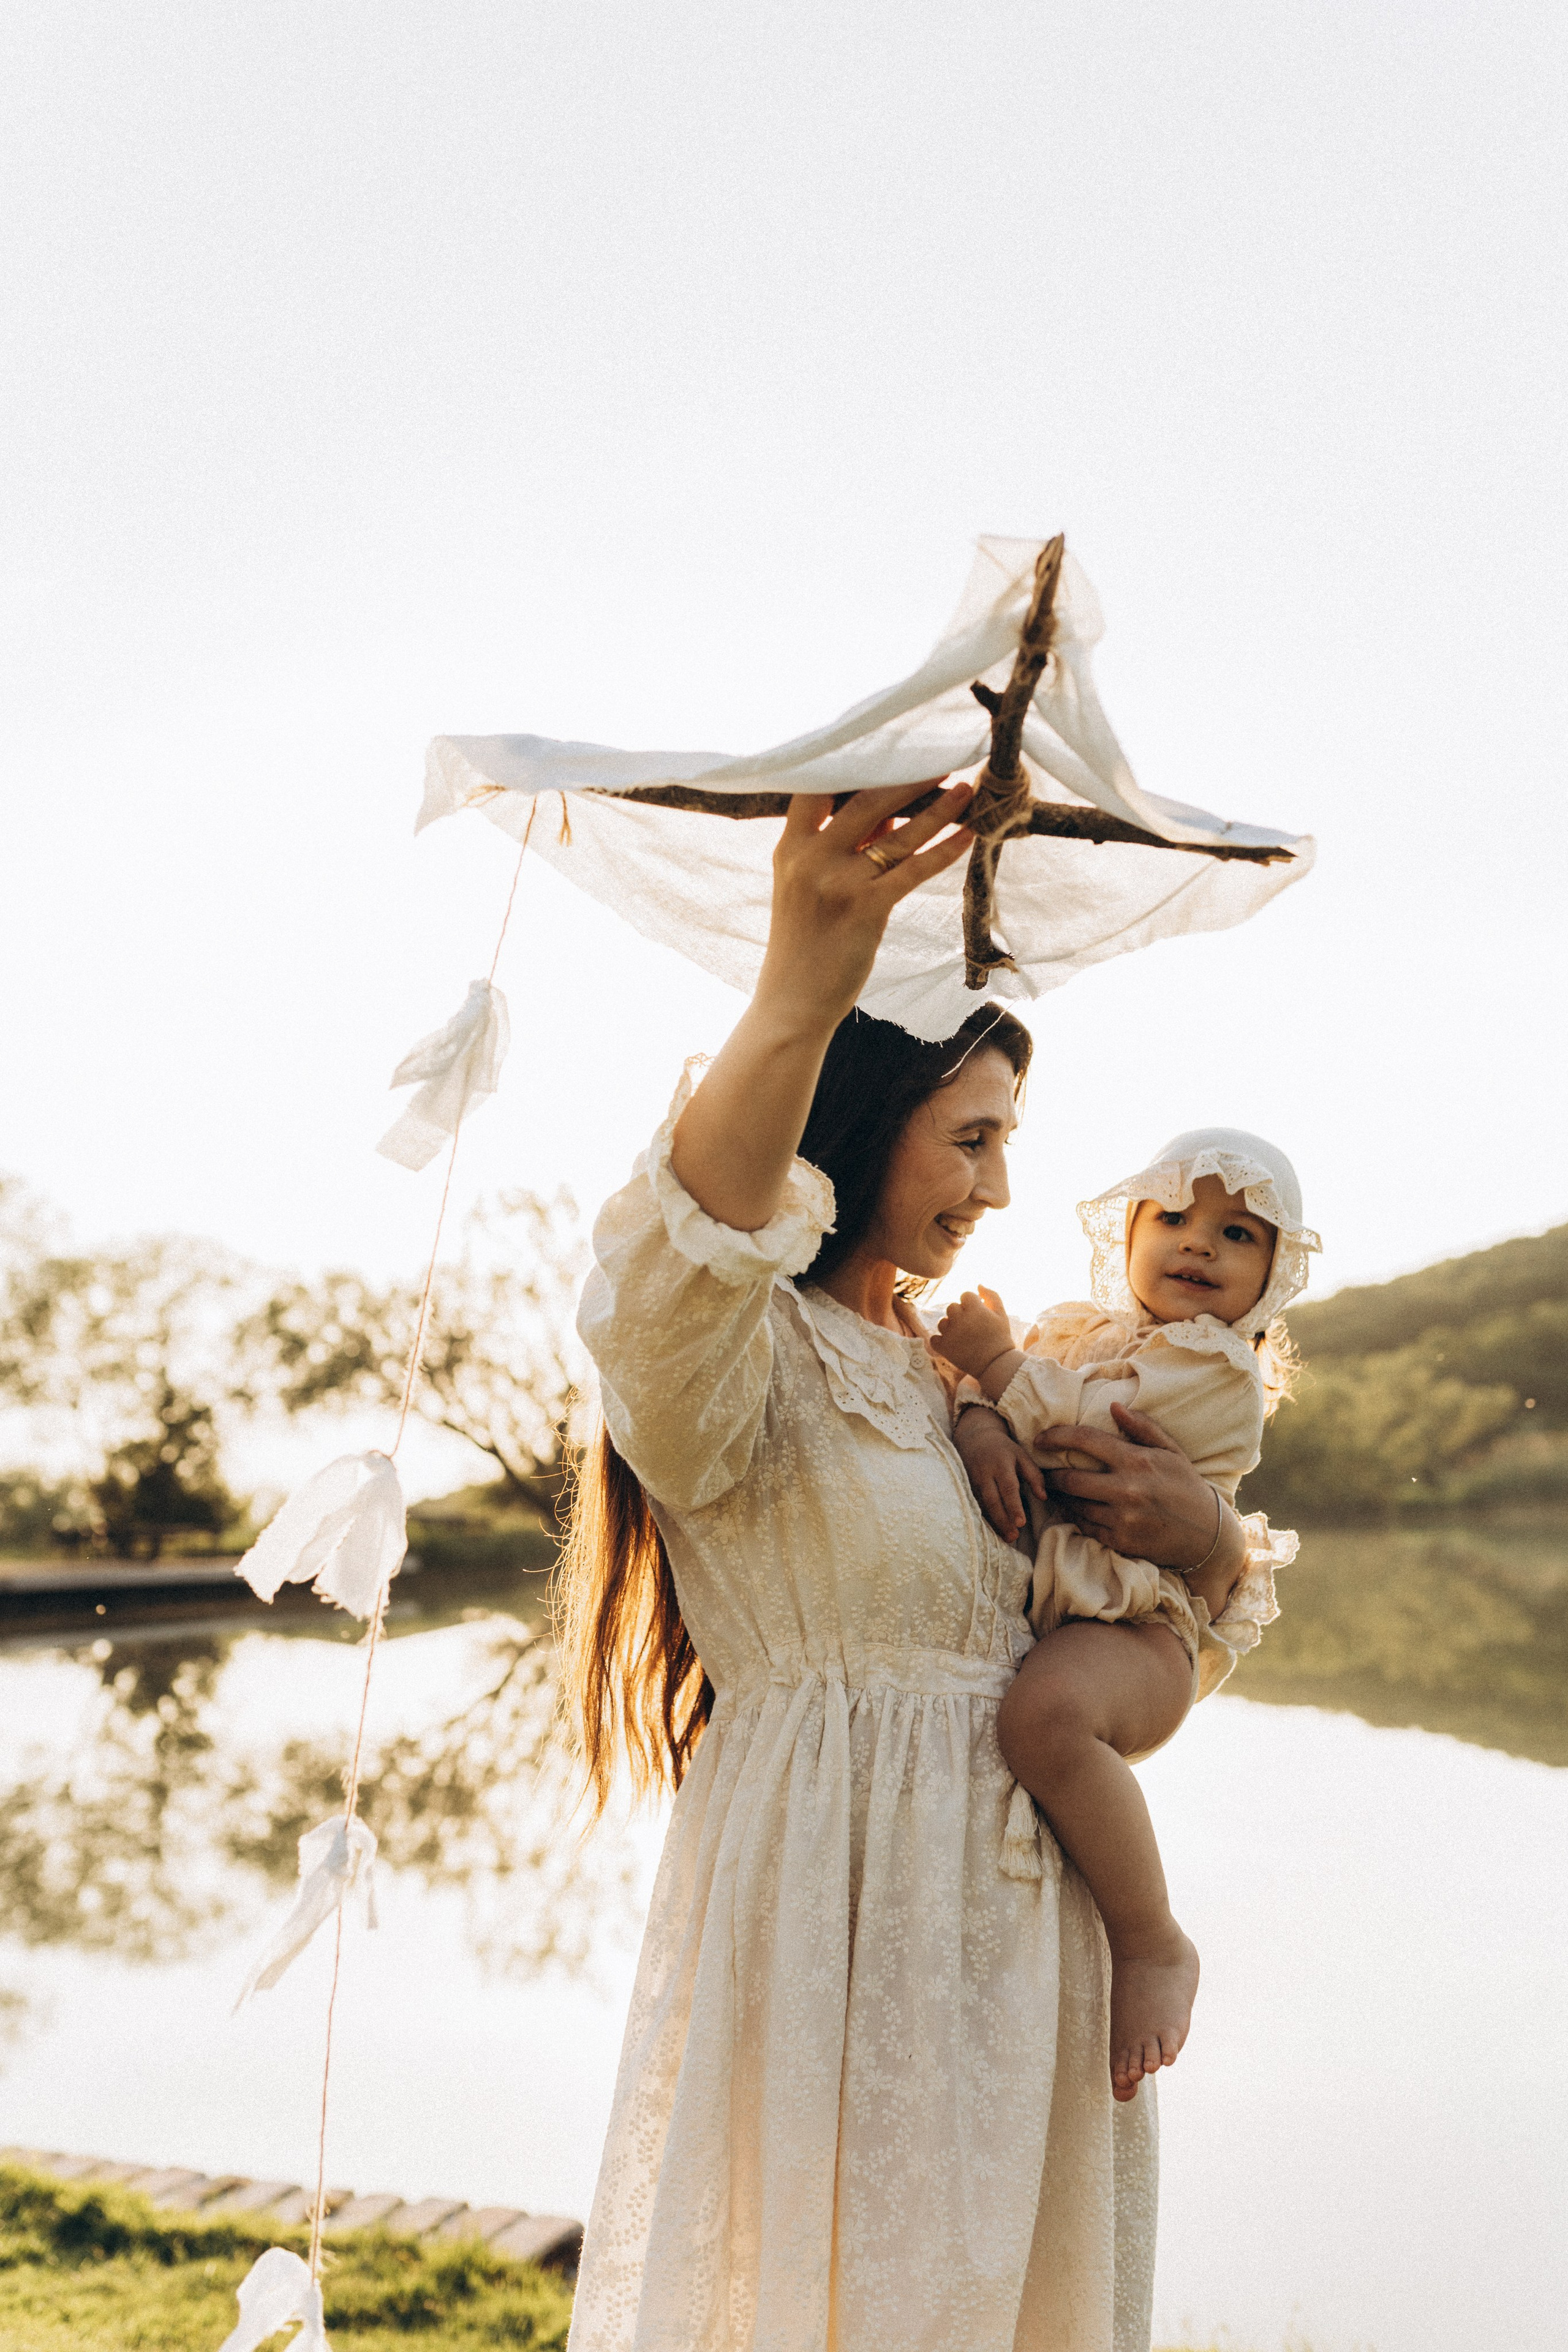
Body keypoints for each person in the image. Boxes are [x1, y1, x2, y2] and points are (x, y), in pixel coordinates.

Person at [557, 782, 1255, 2352]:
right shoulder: (730, 1356)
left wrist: (1201, 1545)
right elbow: (691, 1235)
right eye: (972, 1137)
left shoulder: (962, 1375)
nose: (1000, 1188)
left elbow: (1122, 1666)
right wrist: (803, 982)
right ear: (863, 1116)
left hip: (1025, 1971)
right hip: (837, 1947)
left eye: (1011, 1140)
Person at [935, 1137, 1317, 2102]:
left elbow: (1084, 1440)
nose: (1199, 1246)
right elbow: (991, 1402)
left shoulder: (1217, 1370)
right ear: (1130, 1232)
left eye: (1237, 1234)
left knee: (1044, 1719)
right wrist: (980, 1414)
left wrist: (996, 1365)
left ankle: (1152, 1943)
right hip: (1083, 1616)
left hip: (1146, 1631)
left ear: (1272, 1278)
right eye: (1175, 1220)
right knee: (1038, 1715)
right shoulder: (1077, 1334)